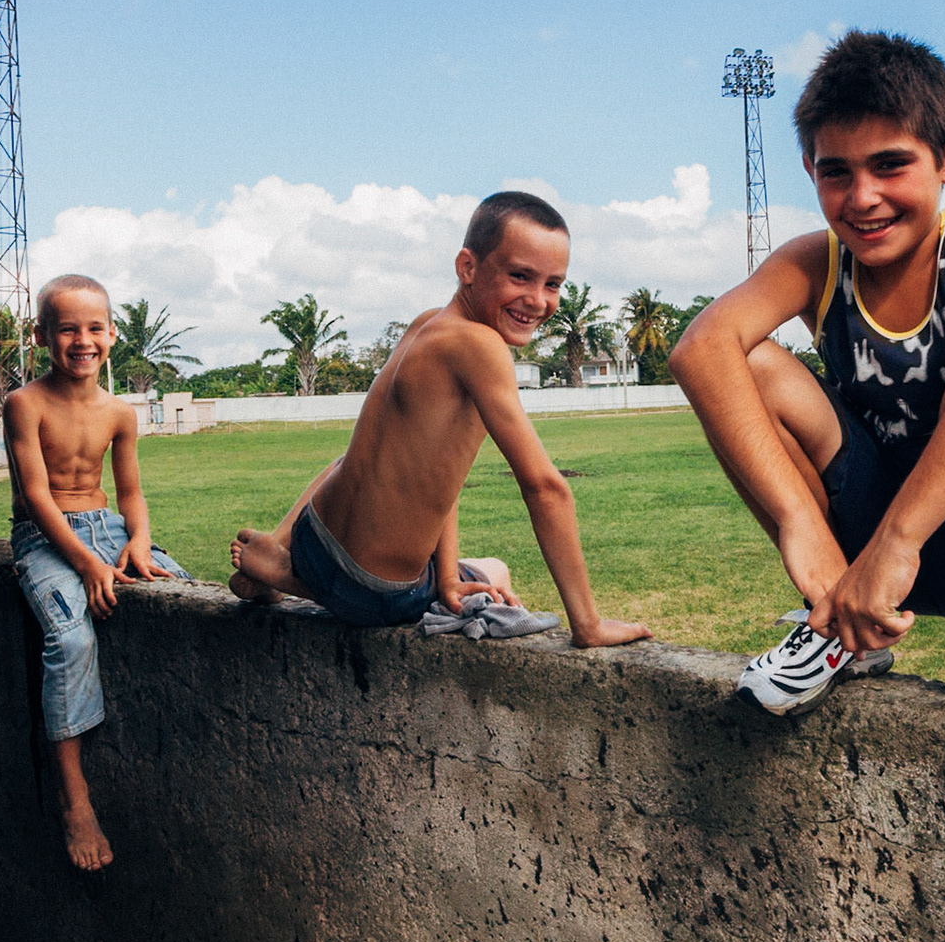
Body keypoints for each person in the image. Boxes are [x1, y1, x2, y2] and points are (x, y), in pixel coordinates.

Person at [671, 31, 945, 747]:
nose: (862, 198)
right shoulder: (817, 262)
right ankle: (836, 623)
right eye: (836, 172)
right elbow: (701, 348)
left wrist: (899, 540)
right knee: (756, 365)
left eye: (890, 165)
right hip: (859, 558)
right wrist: (803, 526)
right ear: (809, 168)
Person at [229, 191, 651, 652]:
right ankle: (291, 577)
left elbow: (440, 479)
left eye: (553, 284)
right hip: (375, 591)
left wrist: (448, 577)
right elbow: (544, 486)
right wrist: (587, 623)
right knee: (498, 571)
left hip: (314, 537)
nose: (536, 300)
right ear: (467, 267)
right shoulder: (481, 347)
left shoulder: (427, 324)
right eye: (519, 276)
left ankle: (283, 554)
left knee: (348, 461)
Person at [4, 274, 191, 870]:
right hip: (45, 537)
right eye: (67, 330)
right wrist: (85, 564)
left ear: (111, 334)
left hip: (106, 527)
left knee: (185, 590)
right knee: (70, 636)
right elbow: (36, 497)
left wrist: (137, 542)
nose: (82, 341)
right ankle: (76, 801)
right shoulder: (24, 404)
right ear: (42, 337)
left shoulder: (120, 412)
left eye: (93, 328)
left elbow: (131, 493)